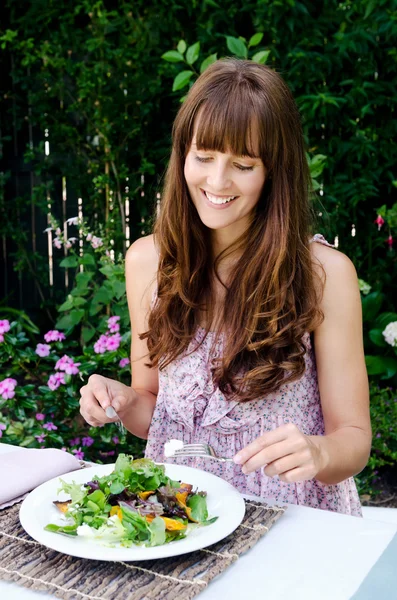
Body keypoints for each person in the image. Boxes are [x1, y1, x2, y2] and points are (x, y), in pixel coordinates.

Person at [79, 58, 371, 516]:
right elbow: (153, 415)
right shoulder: (147, 262)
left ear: (274, 171)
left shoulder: (324, 274)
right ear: (183, 155)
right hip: (180, 517)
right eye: (204, 157)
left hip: (289, 520)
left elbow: (353, 440)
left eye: (242, 164)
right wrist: (120, 401)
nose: (217, 181)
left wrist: (319, 453)